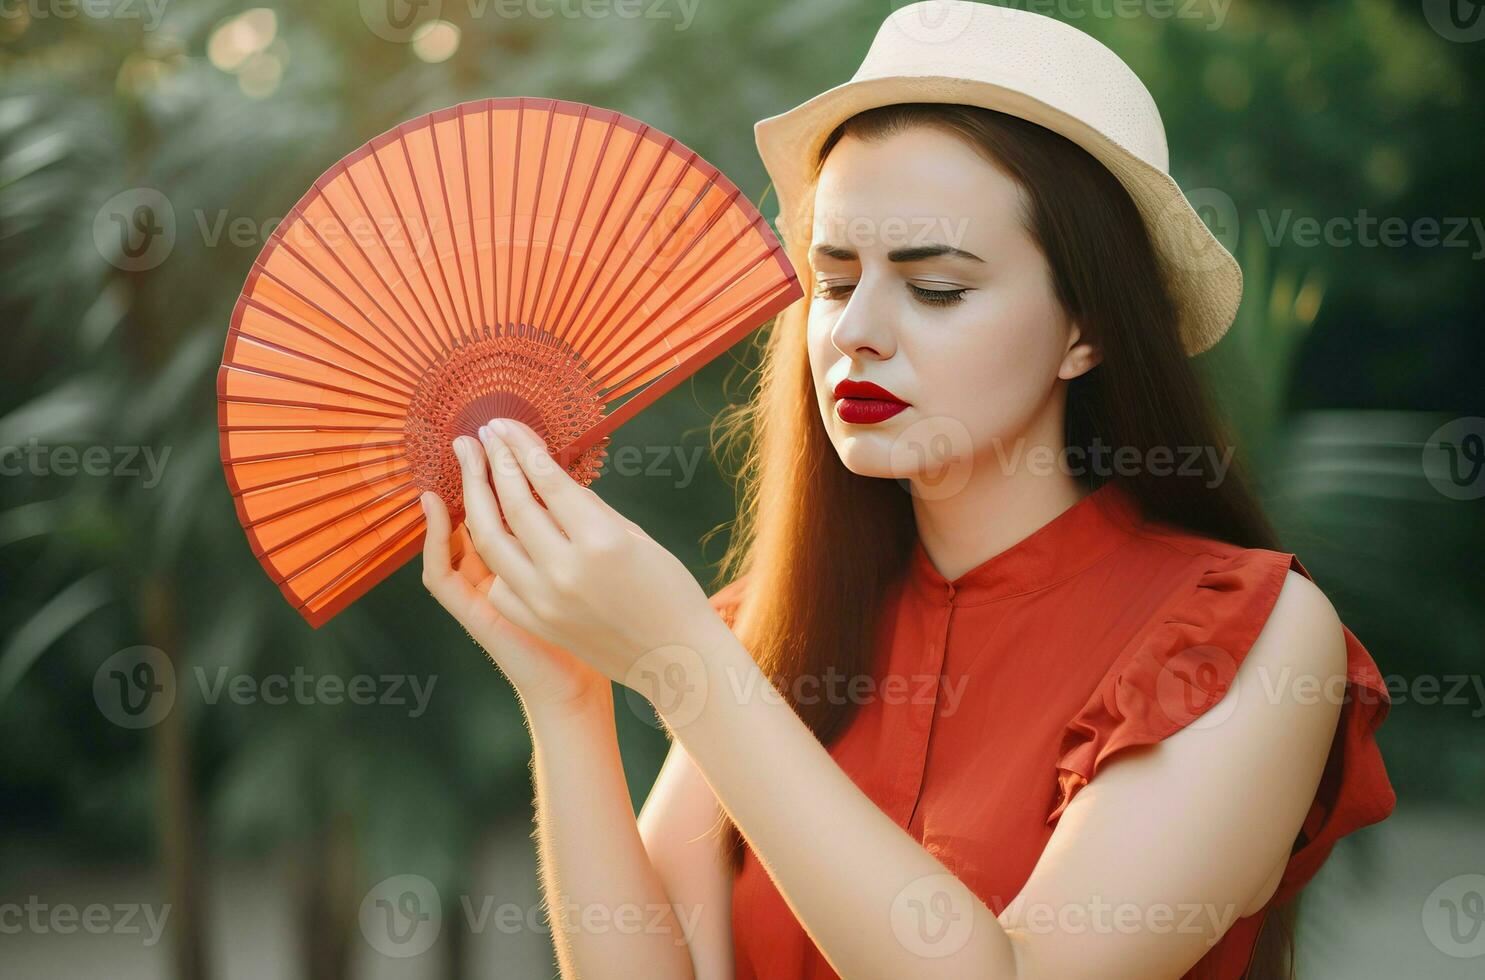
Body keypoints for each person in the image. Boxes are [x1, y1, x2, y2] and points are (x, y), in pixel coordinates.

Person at [418, 3, 1396, 977]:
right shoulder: (770, 630)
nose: (857, 331)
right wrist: (570, 695)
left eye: (935, 288)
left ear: (1084, 330)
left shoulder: (1245, 633)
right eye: (835, 279)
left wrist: (686, 661)